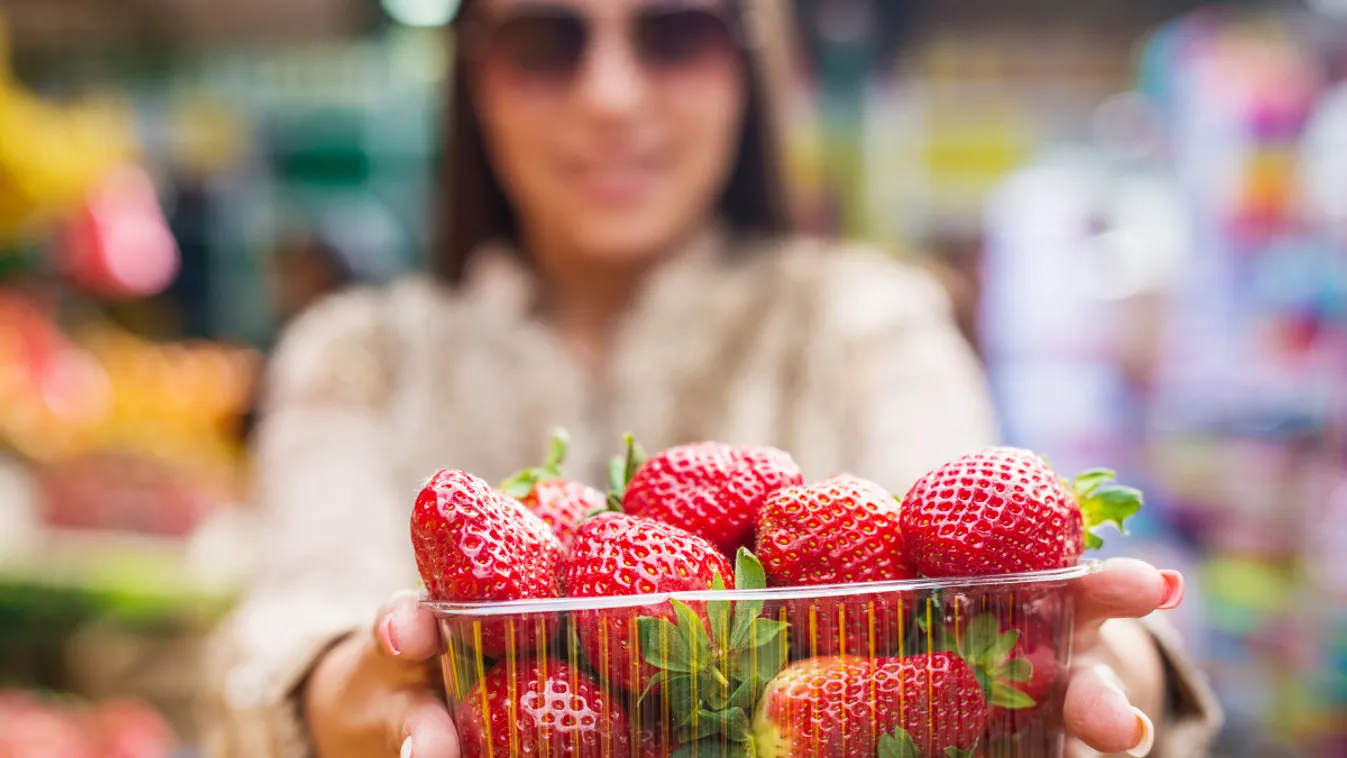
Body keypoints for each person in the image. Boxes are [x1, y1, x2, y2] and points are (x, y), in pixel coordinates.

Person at [204, 1, 1222, 756]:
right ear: (471, 81)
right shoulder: (357, 354)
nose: (610, 98)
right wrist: (366, 692)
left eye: (673, 34)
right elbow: (285, 643)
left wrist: (1059, 663)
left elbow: (952, 570)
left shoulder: (864, 316)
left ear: (751, 67)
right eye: (545, 43)